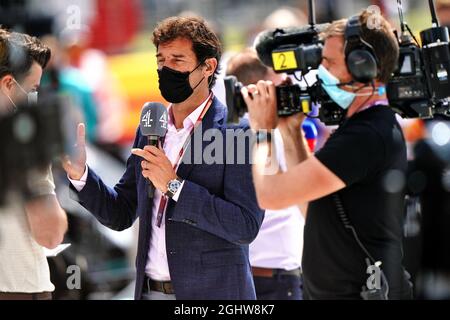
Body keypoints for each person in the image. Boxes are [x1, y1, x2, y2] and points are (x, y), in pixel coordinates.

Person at [63, 16, 264, 300]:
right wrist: (81, 174)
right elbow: (121, 212)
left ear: (208, 67)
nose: (166, 69)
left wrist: (174, 186)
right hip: (149, 292)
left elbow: (244, 226)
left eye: (177, 60)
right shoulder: (150, 128)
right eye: (161, 60)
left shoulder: (235, 133)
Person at [244, 10, 413, 299]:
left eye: (330, 62)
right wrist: (289, 132)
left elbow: (271, 195)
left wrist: (262, 131)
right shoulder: (362, 127)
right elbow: (316, 208)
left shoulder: (367, 135)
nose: (321, 70)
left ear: (363, 67)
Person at [226, 48, 305, 300]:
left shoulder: (225, 138)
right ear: (264, 85)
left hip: (245, 274)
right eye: (278, 81)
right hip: (277, 276)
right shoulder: (270, 135)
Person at [0, 28, 68, 300]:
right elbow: (49, 234)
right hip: (18, 290)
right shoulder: (24, 144)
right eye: (33, 90)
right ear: (8, 85)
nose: (34, 99)